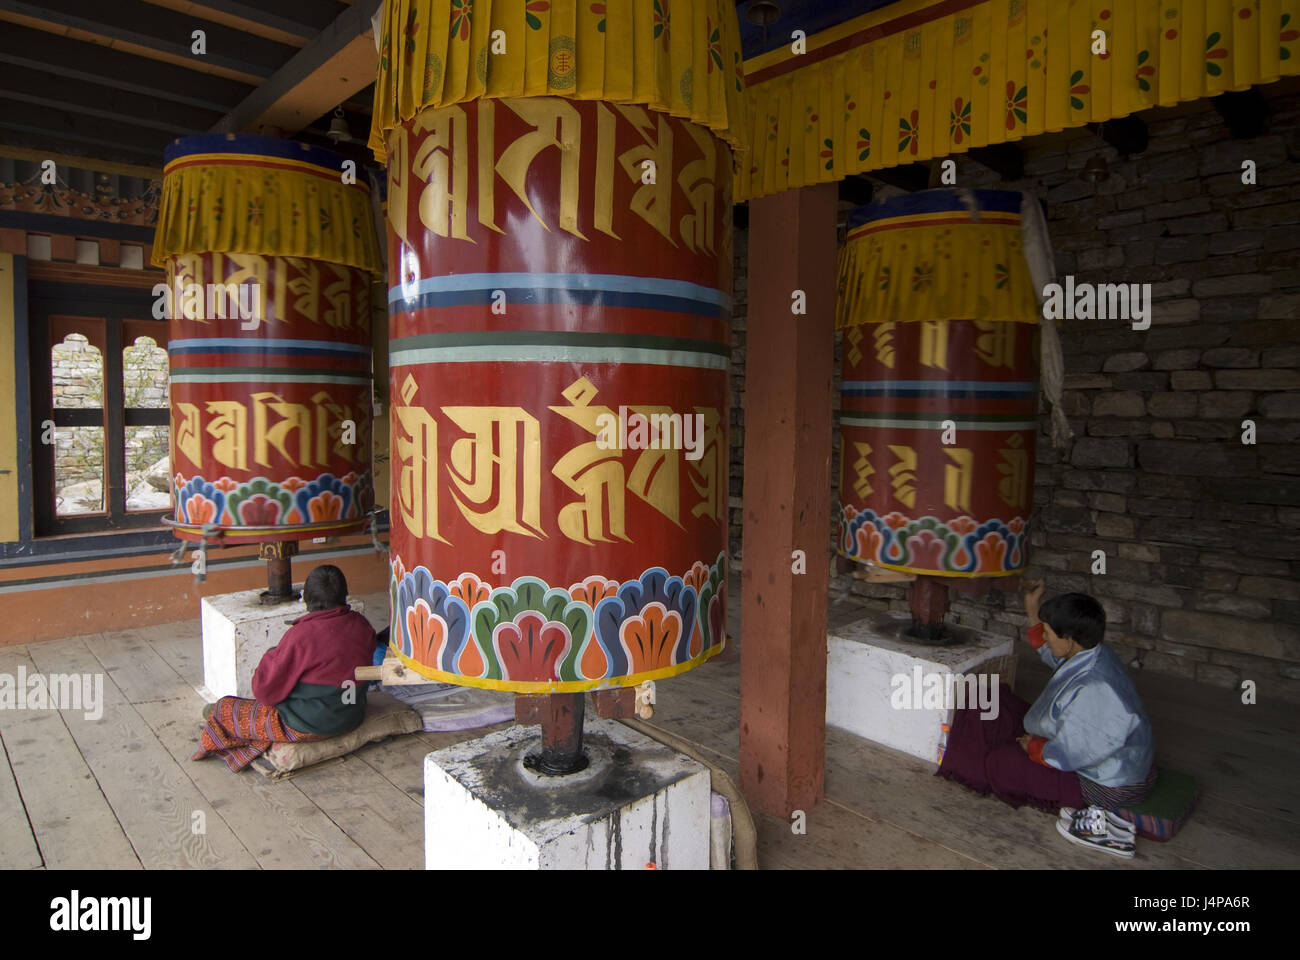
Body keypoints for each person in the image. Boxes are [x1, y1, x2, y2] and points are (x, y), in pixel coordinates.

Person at [937, 580, 1155, 859]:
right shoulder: (1091, 652)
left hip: (1106, 782)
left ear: (1070, 638)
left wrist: (1036, 748)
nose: (1046, 637)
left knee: (1001, 763)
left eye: (1049, 633)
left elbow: (1075, 750)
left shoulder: (1096, 688)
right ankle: (995, 750)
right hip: (1083, 742)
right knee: (990, 699)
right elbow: (1057, 659)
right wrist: (1032, 609)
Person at [192, 564, 377, 772]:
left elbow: (265, 694)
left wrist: (272, 656)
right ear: (345, 595)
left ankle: (235, 731)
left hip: (310, 724)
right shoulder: (361, 624)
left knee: (221, 709)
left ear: (306, 599)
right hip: (351, 714)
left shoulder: (301, 636)